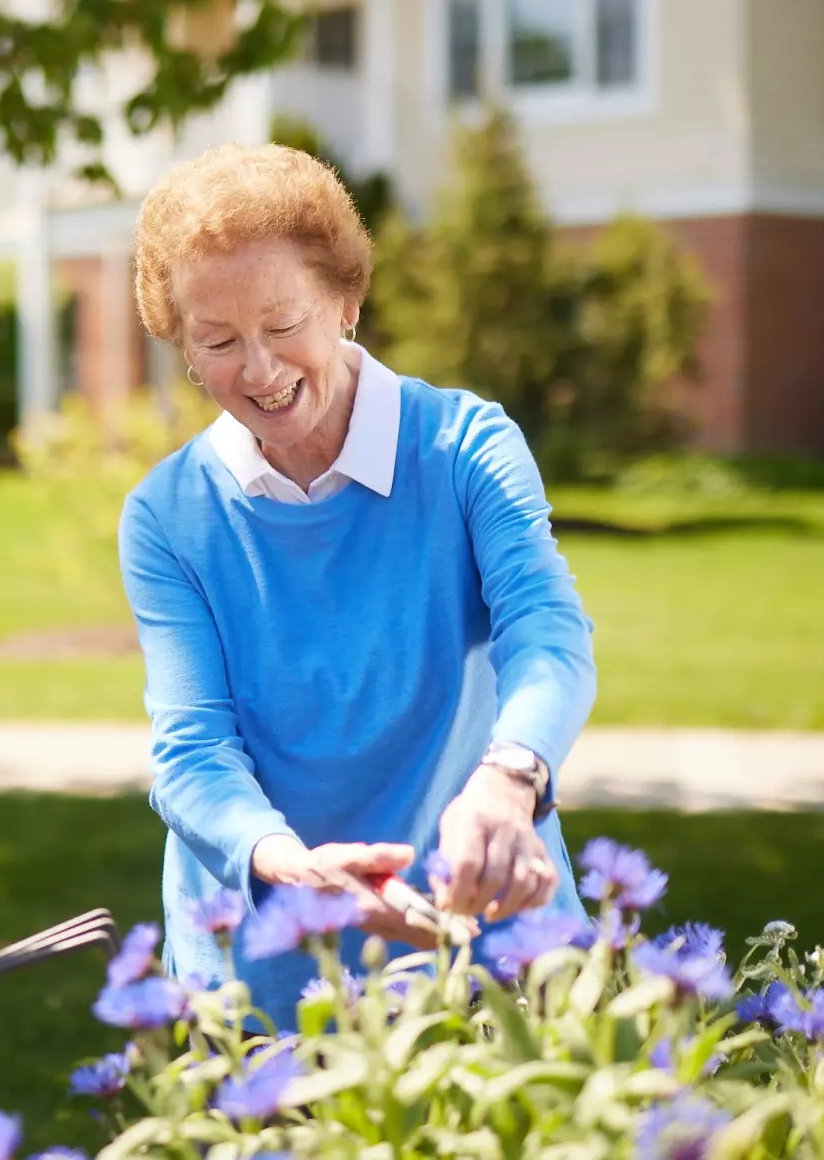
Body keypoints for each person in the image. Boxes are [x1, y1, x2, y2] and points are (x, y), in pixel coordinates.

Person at [120, 144, 597, 1026]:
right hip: (273, 956)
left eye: (283, 324)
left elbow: (547, 631)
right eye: (219, 341)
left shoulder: (463, 447)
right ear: (182, 347)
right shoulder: (168, 516)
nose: (259, 370)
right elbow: (192, 752)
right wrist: (284, 863)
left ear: (346, 301)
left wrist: (509, 780)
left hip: (484, 919)